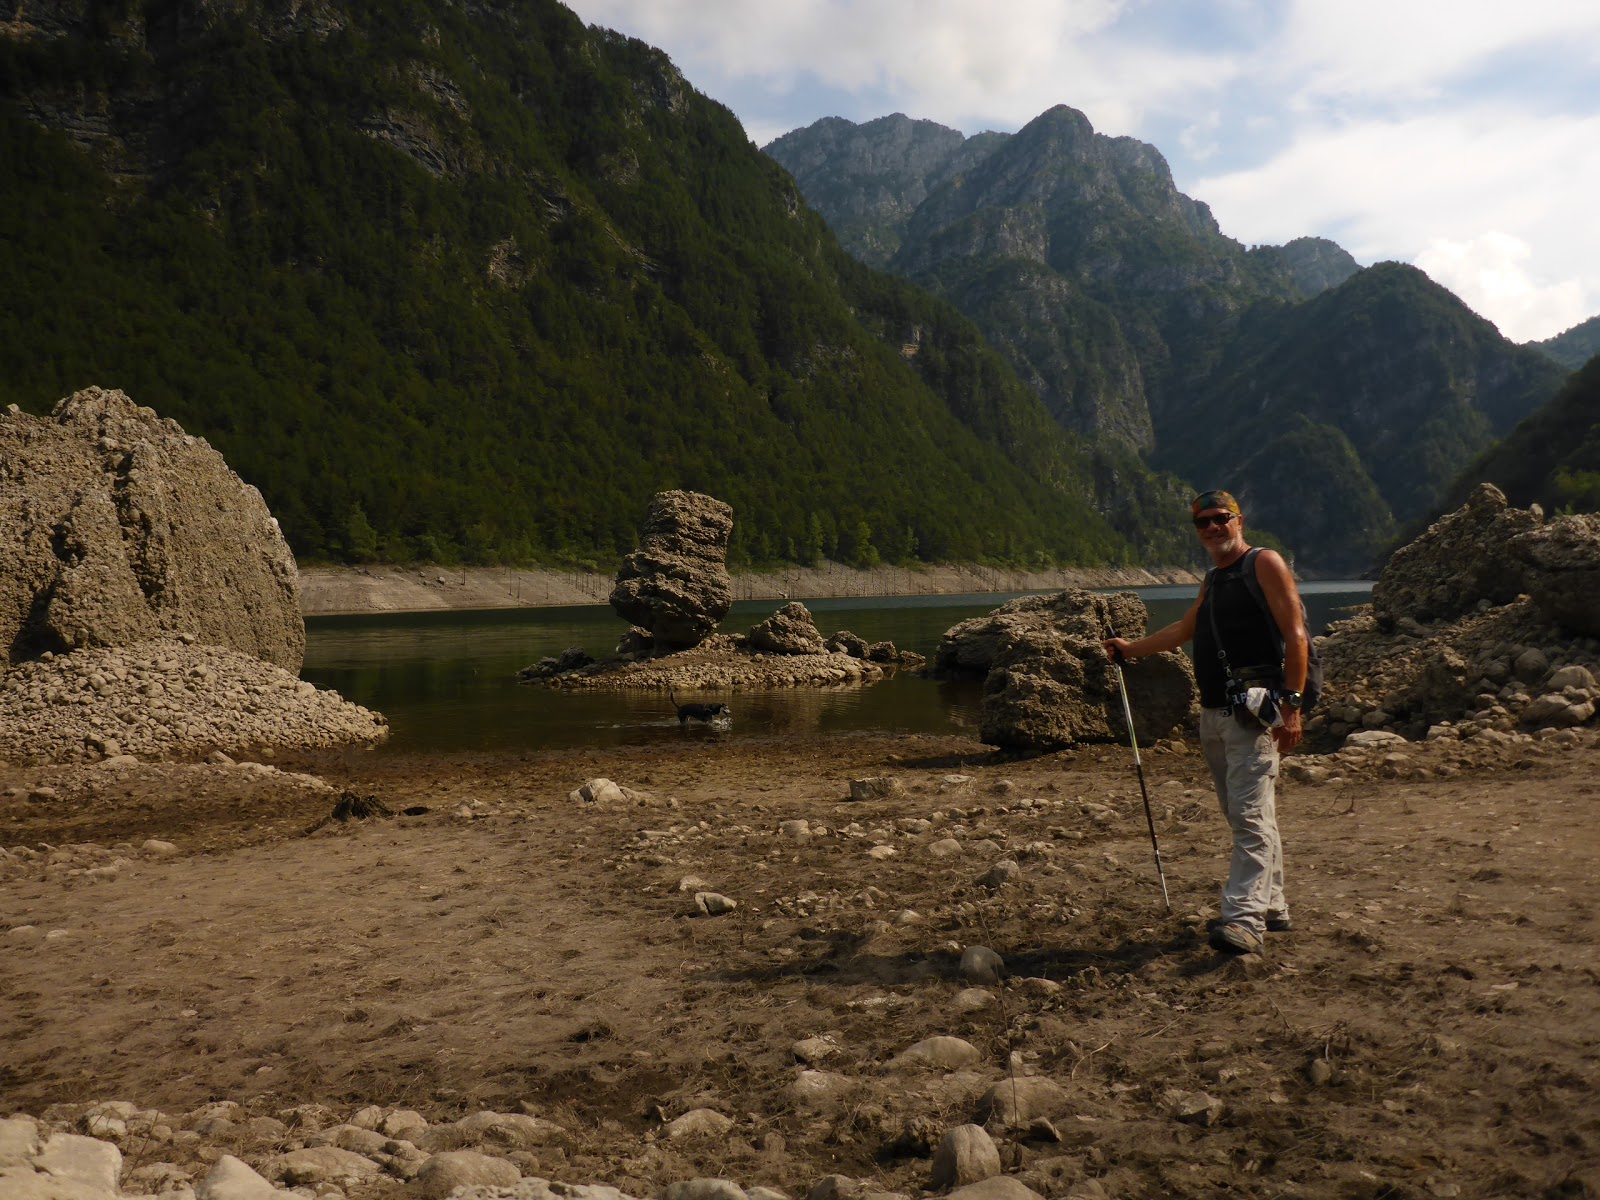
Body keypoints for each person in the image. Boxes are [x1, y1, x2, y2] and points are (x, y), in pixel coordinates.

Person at [1103, 490, 1308, 955]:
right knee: (1246, 815)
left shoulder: (1264, 563)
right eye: (1204, 523)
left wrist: (1292, 707)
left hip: (1252, 716)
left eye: (1221, 519)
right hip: (1214, 714)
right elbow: (1184, 630)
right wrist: (1130, 649)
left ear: (1240, 521)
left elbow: (1296, 635)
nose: (1213, 528)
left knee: (1250, 818)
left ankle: (1244, 920)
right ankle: (1273, 906)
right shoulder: (1214, 579)